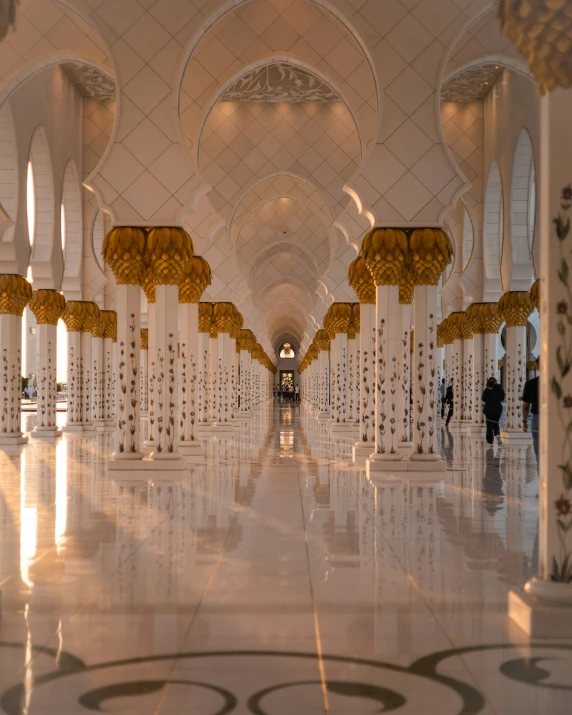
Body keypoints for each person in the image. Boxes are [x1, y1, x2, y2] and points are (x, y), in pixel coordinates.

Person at [522, 360, 539, 463]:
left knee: (539, 452)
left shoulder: (530, 384)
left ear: (537, 365)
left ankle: (542, 475)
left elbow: (526, 405)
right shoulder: (557, 383)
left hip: (537, 419)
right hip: (554, 418)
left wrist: (524, 422)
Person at [482, 376, 505, 445]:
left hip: (489, 409)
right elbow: (502, 397)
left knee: (489, 425)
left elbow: (483, 398)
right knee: (496, 423)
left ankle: (490, 440)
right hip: (498, 409)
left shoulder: (487, 389)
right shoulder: (500, 388)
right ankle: (497, 434)